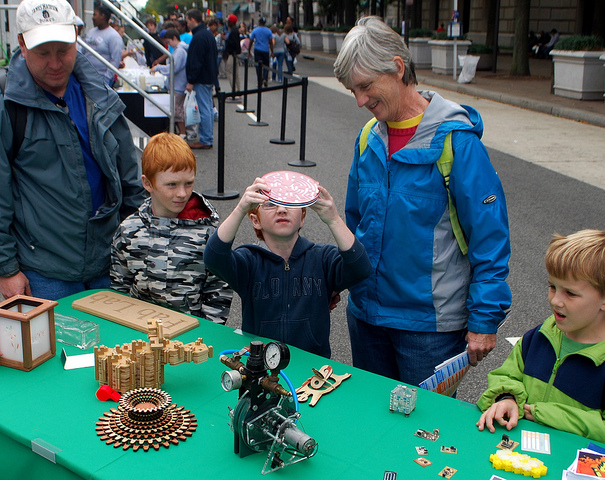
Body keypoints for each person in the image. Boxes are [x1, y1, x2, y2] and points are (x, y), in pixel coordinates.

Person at [333, 17, 511, 387]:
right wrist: (335, 278)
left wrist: (484, 319)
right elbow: (354, 224)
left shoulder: (457, 143)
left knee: (424, 425)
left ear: (398, 68)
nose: (360, 101)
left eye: (365, 86)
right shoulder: (368, 137)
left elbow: (490, 238)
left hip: (429, 331)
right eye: (352, 90)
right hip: (366, 317)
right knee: (371, 419)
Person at [0, 0, 145, 301]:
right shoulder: (8, 107)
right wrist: (6, 268)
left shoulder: (100, 94)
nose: (55, 63)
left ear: (77, 37)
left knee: (115, 335)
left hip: (109, 262)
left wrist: (138, 242)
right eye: (43, 52)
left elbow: (129, 177)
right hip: (44, 272)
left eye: (63, 50)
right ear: (22, 45)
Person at [477, 230, 605, 455]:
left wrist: (552, 416)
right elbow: (507, 376)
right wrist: (507, 398)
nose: (555, 300)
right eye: (553, 287)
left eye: (570, 293)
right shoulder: (539, 336)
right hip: (515, 456)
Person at [204, 178, 372, 357]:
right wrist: (240, 209)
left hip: (312, 362)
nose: (282, 209)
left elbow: (361, 267)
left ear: (302, 218)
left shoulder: (323, 258)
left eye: (290, 203)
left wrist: (334, 220)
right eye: (270, 204)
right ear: (255, 220)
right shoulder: (249, 261)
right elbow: (213, 257)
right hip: (261, 363)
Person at [111, 133, 232, 323]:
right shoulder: (128, 231)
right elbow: (120, 289)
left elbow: (219, 290)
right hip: (139, 331)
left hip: (192, 333)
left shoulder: (208, 231)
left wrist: (208, 332)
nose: (182, 193)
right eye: (172, 185)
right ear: (147, 183)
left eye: (188, 183)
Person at [185, 8, 217, 150]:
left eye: (187, 20)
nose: (187, 24)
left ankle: (205, 139)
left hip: (201, 78)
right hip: (209, 76)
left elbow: (196, 61)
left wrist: (191, 79)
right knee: (208, 108)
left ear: (193, 19)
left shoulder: (198, 37)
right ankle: (207, 137)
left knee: (204, 109)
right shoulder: (208, 34)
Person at [151, 29, 188, 138]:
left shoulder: (180, 51)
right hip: (177, 84)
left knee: (177, 110)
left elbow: (173, 67)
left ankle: (182, 133)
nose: (168, 44)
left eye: (168, 42)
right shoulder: (179, 50)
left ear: (174, 38)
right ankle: (181, 133)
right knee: (177, 109)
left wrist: (158, 68)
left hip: (178, 85)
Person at [81, 2, 124, 86]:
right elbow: (83, 52)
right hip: (86, 77)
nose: (93, 18)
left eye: (95, 15)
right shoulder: (90, 32)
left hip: (102, 79)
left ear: (102, 16)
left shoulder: (114, 36)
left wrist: (106, 79)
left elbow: (115, 60)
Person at [249, 17, 273, 87]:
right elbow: (271, 42)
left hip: (257, 49)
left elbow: (251, 40)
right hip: (265, 50)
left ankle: (259, 80)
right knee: (266, 65)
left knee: (258, 66)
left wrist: (249, 49)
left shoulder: (255, 30)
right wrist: (272, 51)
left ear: (259, 22)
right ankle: (265, 78)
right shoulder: (268, 31)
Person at [224, 14, 242, 97]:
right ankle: (238, 91)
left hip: (233, 54)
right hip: (235, 54)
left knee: (229, 72)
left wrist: (226, 39)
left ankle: (234, 90)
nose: (227, 22)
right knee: (235, 73)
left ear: (232, 22)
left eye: (229, 21)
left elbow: (234, 43)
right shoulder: (234, 31)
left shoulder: (234, 32)